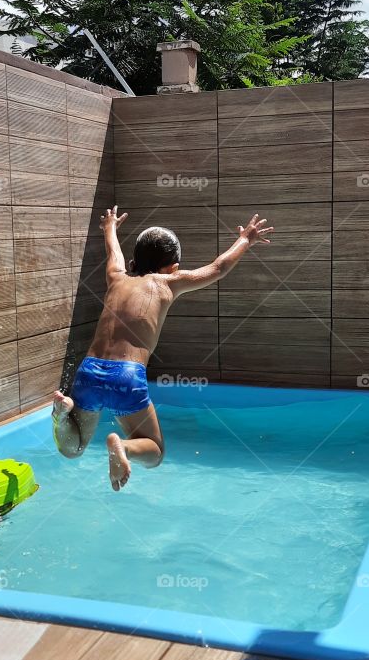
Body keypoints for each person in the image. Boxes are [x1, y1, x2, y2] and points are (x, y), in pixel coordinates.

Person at [52, 206, 273, 490]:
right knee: (155, 451)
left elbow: (114, 255)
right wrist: (246, 239)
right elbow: (219, 268)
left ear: (135, 261)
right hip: (127, 376)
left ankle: (61, 418)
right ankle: (123, 447)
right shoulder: (169, 283)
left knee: (73, 448)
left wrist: (110, 228)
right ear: (173, 267)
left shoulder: (117, 277)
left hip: (89, 372)